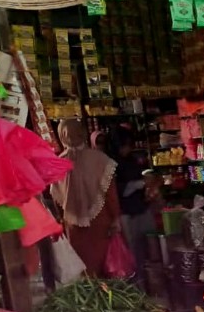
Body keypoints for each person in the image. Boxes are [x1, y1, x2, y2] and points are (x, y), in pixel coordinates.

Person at [50, 119, 120, 276]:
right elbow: (111, 194)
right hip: (101, 222)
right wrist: (116, 218)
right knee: (104, 267)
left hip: (73, 224)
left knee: (81, 269)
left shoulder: (57, 164)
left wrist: (62, 219)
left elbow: (56, 198)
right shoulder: (100, 160)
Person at [109, 127, 154, 282]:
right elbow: (115, 190)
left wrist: (148, 189)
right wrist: (137, 185)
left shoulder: (131, 160)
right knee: (132, 249)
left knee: (146, 247)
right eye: (125, 145)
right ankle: (136, 280)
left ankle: (147, 278)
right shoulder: (110, 163)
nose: (128, 148)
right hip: (126, 212)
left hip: (141, 207)